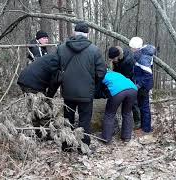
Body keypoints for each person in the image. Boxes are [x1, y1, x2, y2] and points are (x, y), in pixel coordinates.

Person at [57, 22, 106, 150]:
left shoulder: (62, 48)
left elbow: (55, 69)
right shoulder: (94, 50)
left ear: (74, 32)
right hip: (86, 92)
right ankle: (83, 147)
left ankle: (66, 146)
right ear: (87, 33)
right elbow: (101, 72)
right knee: (84, 120)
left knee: (68, 119)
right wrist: (91, 82)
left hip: (68, 91)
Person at [99, 70, 137, 143]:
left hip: (118, 91)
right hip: (133, 89)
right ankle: (126, 137)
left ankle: (106, 138)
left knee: (109, 114)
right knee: (127, 113)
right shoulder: (116, 73)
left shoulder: (101, 75)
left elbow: (98, 90)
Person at [108, 46, 141, 129]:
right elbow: (116, 70)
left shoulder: (128, 60)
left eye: (113, 59)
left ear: (118, 56)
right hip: (121, 79)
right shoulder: (116, 59)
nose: (112, 61)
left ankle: (138, 121)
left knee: (133, 102)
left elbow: (128, 76)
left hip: (130, 81)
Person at [129, 37, 156, 135]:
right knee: (141, 105)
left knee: (144, 107)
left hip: (144, 86)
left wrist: (139, 85)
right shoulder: (141, 54)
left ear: (136, 48)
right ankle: (143, 127)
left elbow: (148, 75)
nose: (131, 49)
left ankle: (146, 129)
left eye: (132, 48)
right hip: (141, 83)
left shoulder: (143, 59)